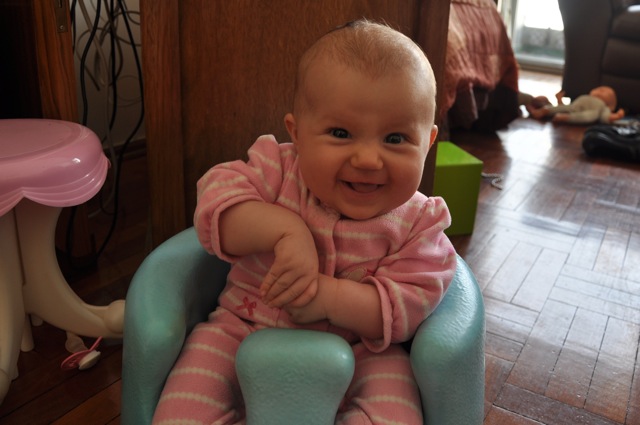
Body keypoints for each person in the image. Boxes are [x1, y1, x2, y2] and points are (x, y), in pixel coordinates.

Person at [152, 19, 457, 425]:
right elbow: (214, 208)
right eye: (340, 132)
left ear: (429, 143)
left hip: (362, 351)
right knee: (183, 411)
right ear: (297, 134)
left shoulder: (420, 225)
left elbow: (406, 307)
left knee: (395, 411)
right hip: (240, 327)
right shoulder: (276, 169)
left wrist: (327, 298)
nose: (368, 159)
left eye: (396, 139)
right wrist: (284, 230)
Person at [526, 85, 625, 124]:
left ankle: (566, 117)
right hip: (574, 105)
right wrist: (559, 100)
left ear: (610, 103)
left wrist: (615, 116)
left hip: (591, 111)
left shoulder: (603, 106)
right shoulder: (586, 97)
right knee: (565, 107)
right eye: (599, 89)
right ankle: (542, 111)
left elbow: (605, 117)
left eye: (604, 92)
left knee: (587, 116)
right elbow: (566, 106)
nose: (600, 91)